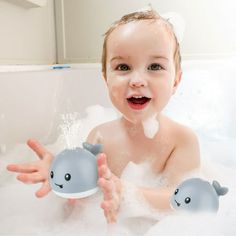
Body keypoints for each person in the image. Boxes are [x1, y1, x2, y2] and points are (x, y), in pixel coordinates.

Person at [7, 9, 200, 224]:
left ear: (175, 81)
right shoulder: (99, 136)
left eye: (155, 66)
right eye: (123, 67)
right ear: (106, 78)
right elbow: (79, 204)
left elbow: (185, 199)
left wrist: (127, 194)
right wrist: (60, 175)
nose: (137, 80)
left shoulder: (182, 139)